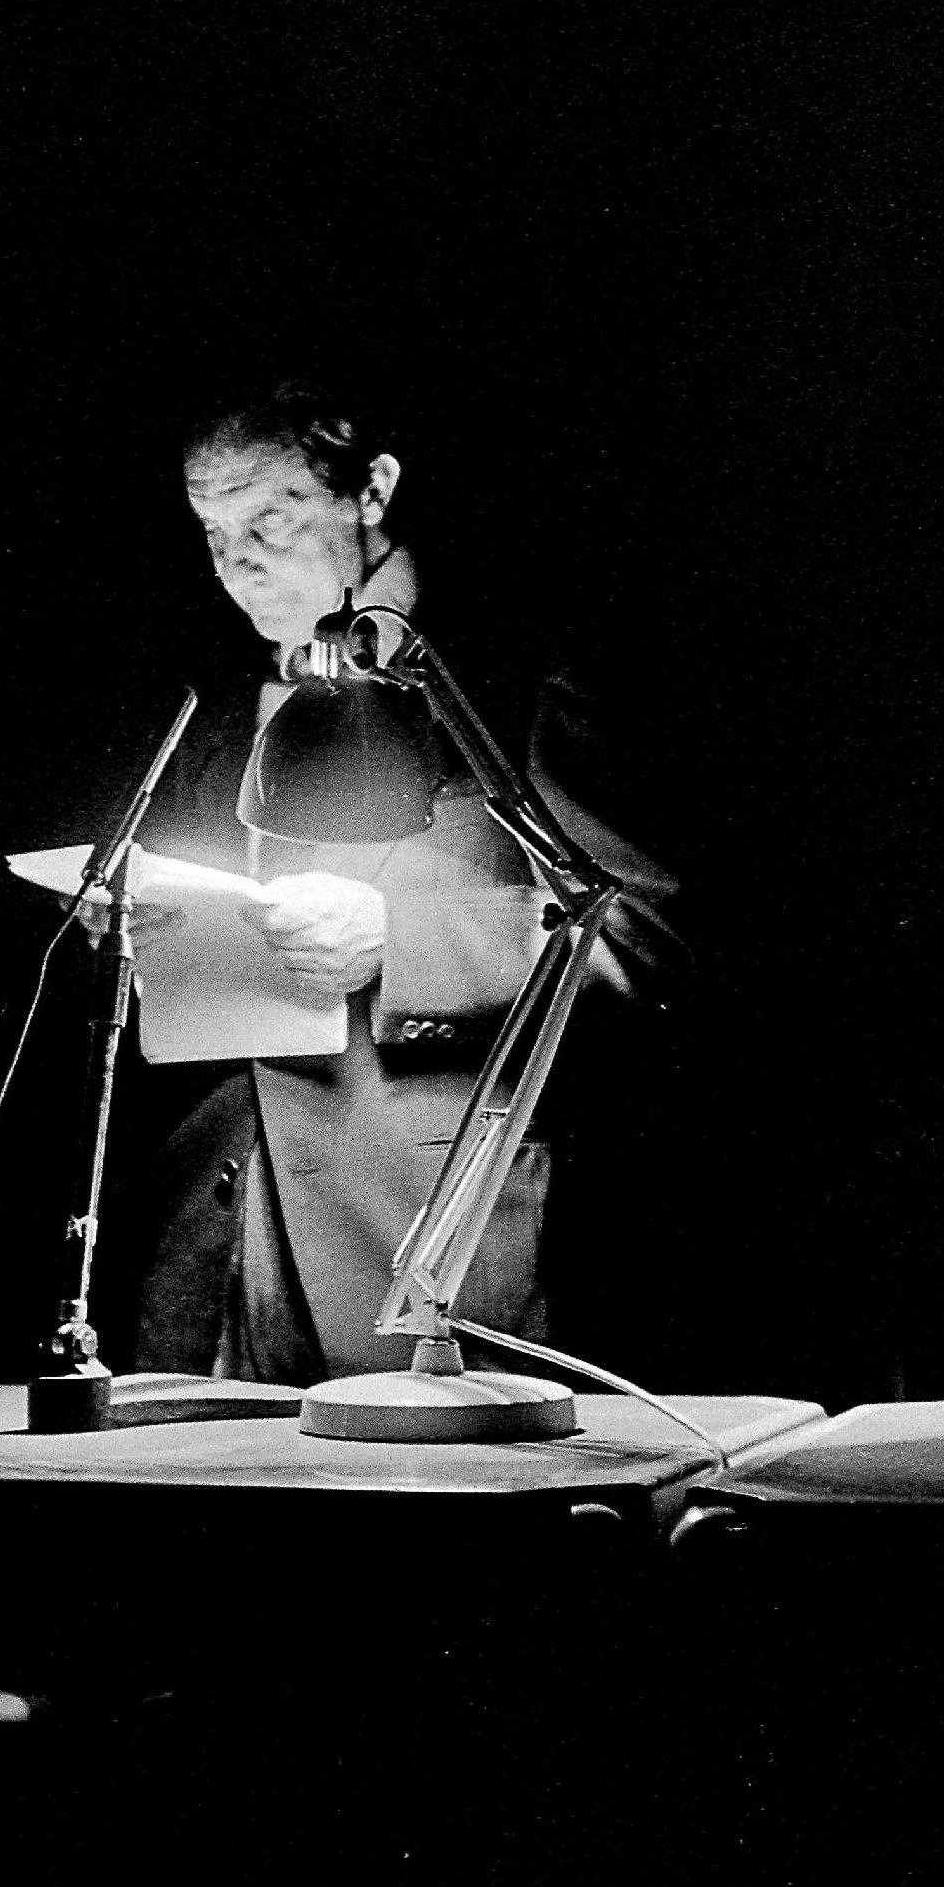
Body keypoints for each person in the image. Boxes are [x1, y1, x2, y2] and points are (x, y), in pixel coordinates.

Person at [122, 378, 682, 1385]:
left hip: (440, 1240)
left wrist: (399, 940)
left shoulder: (509, 683)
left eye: (269, 519)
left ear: (371, 489)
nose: (237, 562)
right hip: (237, 1245)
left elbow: (639, 939)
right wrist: (144, 930)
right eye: (212, 531)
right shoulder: (220, 701)